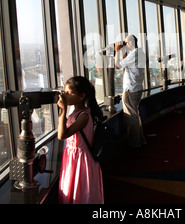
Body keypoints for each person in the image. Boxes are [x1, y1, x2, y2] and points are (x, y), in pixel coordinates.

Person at [57, 76, 104, 204]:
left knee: (82, 194)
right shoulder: (76, 114)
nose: (65, 96)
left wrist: (63, 109)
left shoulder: (84, 116)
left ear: (82, 96)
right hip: (72, 158)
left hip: (81, 162)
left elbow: (61, 135)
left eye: (69, 93)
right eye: (64, 92)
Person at [115, 34, 146, 148]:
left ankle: (135, 143)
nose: (124, 44)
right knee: (135, 115)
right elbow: (125, 63)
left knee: (131, 117)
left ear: (131, 43)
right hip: (137, 88)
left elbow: (118, 65)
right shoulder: (140, 53)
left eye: (126, 42)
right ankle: (140, 140)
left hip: (130, 90)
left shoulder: (134, 54)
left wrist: (117, 51)